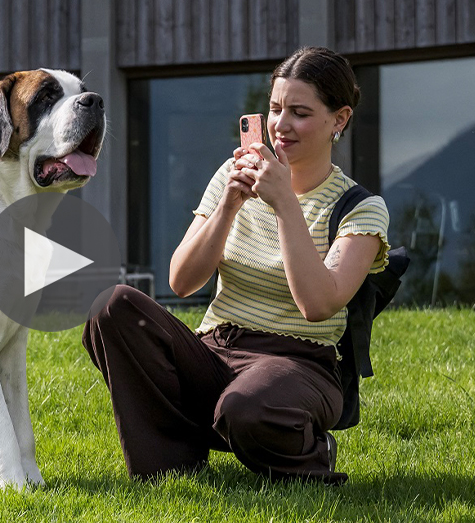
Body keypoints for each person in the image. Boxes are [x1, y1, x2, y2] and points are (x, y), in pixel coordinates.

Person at [83, 47, 390, 485]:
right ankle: (171, 462)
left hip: (297, 365)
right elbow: (182, 281)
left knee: (247, 407)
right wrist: (229, 204)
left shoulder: (360, 208)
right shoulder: (232, 173)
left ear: (339, 120)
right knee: (112, 306)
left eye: (300, 113)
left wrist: (285, 202)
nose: (281, 126)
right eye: (275, 109)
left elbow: (319, 304)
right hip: (215, 350)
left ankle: (309, 453)